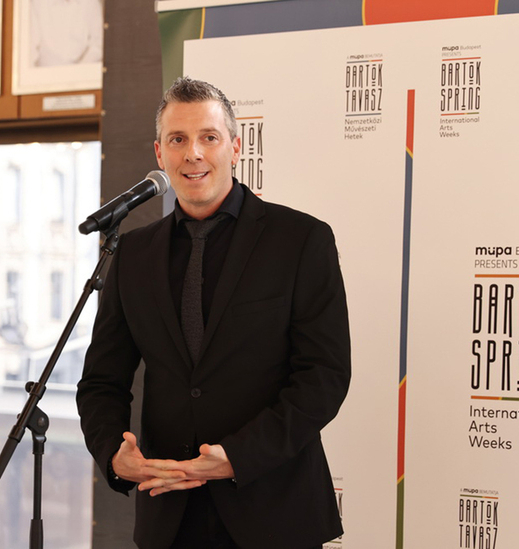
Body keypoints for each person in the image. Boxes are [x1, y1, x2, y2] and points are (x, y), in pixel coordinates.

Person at [77, 76, 351, 548]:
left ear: (235, 147)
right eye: (177, 140)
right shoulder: (133, 252)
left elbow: (324, 377)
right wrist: (112, 455)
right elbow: (102, 380)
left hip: (275, 513)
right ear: (159, 155)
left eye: (209, 137)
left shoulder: (302, 240)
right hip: (169, 518)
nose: (193, 154)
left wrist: (236, 457)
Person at [26, 0, 102, 67]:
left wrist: (80, 69)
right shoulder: (37, 3)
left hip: (82, 72)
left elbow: (99, 43)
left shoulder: (91, 3)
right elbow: (30, 49)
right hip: (45, 73)